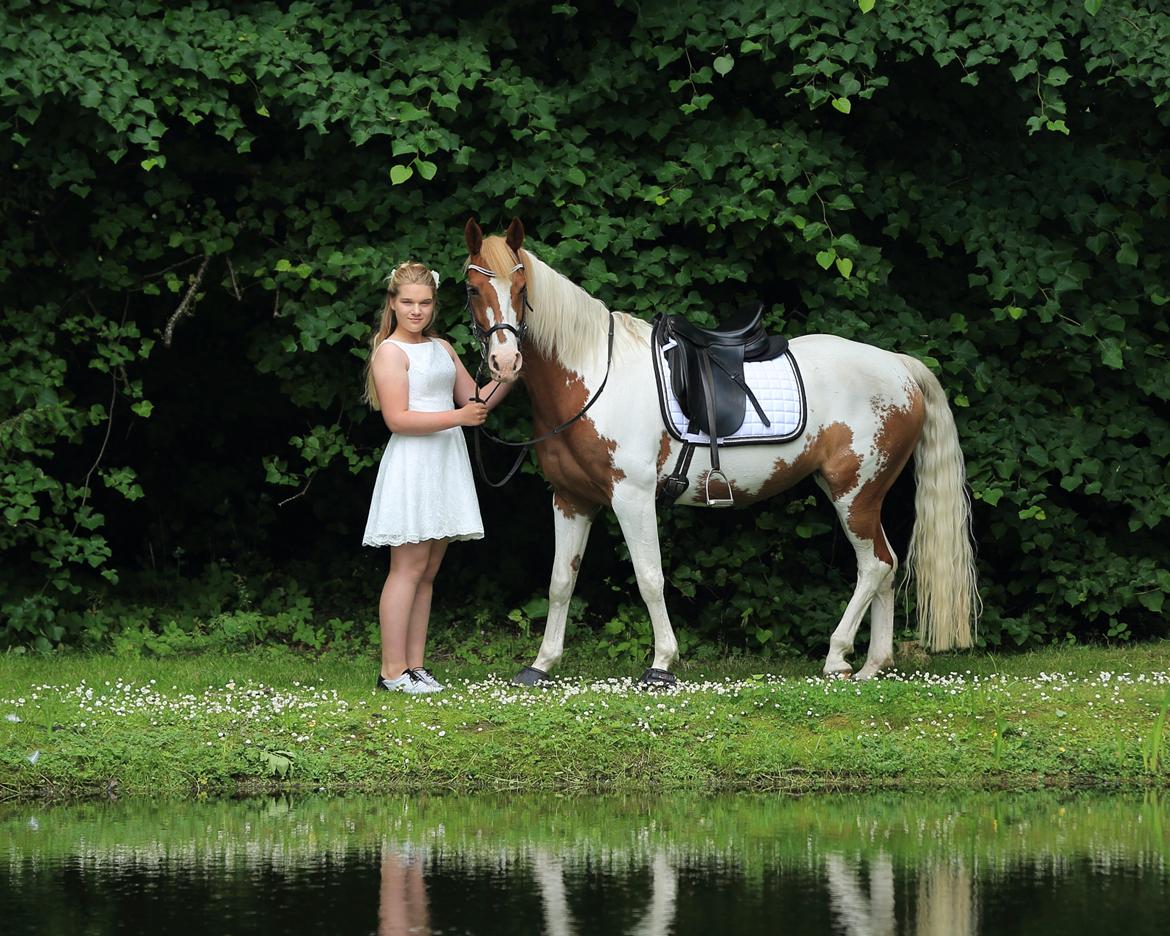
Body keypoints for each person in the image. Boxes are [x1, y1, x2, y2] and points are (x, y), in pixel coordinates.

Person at [362, 261, 510, 694]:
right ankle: (392, 672)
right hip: (414, 462)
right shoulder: (390, 352)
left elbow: (474, 399)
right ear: (393, 303)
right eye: (408, 302)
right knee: (406, 568)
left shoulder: (442, 347)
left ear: (434, 305)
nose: (416, 311)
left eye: (424, 303)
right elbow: (398, 418)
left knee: (426, 571)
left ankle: (415, 666)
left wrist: (508, 377)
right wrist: (458, 417)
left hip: (445, 461)